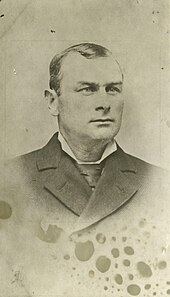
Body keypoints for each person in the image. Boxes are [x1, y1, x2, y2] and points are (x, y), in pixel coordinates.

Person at [1, 43, 170, 296]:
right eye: (87, 90)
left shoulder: (160, 184)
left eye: (112, 89)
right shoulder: (9, 181)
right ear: (52, 102)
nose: (104, 103)